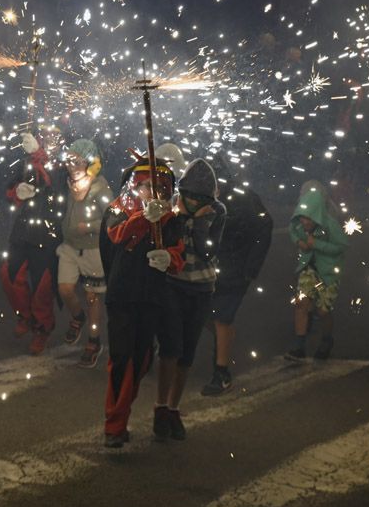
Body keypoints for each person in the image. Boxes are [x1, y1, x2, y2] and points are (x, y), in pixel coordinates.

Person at [99, 157, 184, 448]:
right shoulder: (117, 210)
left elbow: (179, 254)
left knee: (142, 358)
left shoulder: (171, 219)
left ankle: (121, 416)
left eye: (159, 187)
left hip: (152, 298)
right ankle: (114, 425)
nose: (152, 192)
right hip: (122, 295)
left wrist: (169, 259)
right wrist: (144, 218)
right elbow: (116, 235)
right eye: (146, 186)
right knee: (121, 358)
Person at [154, 159, 226, 441]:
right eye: (190, 196)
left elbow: (208, 251)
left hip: (202, 288)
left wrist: (197, 223)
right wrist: (180, 217)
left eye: (200, 198)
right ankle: (160, 406)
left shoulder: (217, 211)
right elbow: (169, 241)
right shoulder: (172, 205)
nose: (194, 202)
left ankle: (174, 407)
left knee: (186, 352)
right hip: (173, 284)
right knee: (170, 348)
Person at [201, 153, 273, 396]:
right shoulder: (201, 197)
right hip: (208, 269)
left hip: (235, 269)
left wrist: (251, 267)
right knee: (205, 315)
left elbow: (264, 226)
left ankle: (221, 372)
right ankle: (224, 340)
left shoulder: (244, 198)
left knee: (222, 316)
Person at [0, 132, 67, 354]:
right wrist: (17, 192)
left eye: (54, 136)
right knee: (9, 274)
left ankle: (42, 328)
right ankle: (25, 316)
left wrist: (40, 159)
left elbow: (56, 190)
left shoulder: (64, 163)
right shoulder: (26, 162)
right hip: (23, 230)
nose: (49, 140)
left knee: (42, 286)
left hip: (47, 234)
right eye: (46, 136)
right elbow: (9, 190)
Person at [56, 138, 113, 367]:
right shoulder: (69, 183)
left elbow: (112, 219)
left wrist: (89, 226)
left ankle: (94, 340)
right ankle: (78, 317)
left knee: (92, 297)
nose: (71, 166)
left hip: (92, 250)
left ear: (90, 163)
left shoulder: (100, 186)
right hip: (69, 246)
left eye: (77, 161)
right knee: (65, 288)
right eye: (69, 161)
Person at [285, 181, 349, 361]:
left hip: (328, 273)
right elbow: (292, 229)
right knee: (301, 303)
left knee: (323, 311)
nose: (304, 222)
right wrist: (299, 242)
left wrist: (317, 244)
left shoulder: (330, 224)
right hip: (309, 268)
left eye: (309, 219)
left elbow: (341, 246)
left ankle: (327, 340)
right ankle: (299, 346)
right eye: (302, 218)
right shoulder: (299, 222)